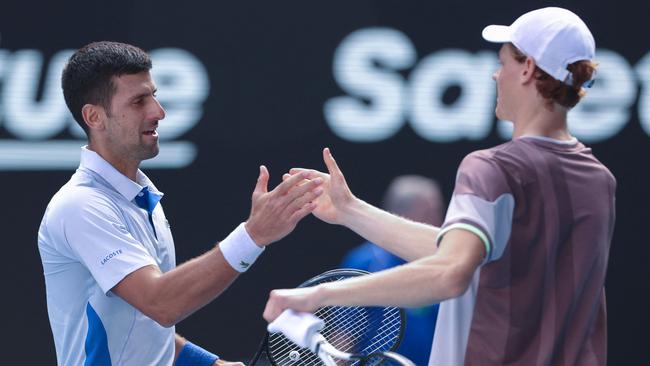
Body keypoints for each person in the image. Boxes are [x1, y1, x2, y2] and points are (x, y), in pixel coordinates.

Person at [263, 7, 615, 366]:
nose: (496, 75)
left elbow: (450, 272)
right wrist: (351, 210)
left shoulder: (493, 168)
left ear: (527, 69)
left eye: (503, 62)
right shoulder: (598, 179)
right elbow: (463, 255)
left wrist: (318, 296)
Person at [37, 41, 324, 366]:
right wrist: (254, 235)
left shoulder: (142, 200)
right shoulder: (80, 206)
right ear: (94, 117)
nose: (158, 112)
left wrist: (210, 364)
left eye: (154, 95)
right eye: (138, 101)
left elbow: (140, 328)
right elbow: (161, 304)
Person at [340, 175, 444, 365]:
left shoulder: (444, 263)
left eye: (438, 211)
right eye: (429, 212)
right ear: (400, 216)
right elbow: (343, 336)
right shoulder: (364, 262)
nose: (438, 220)